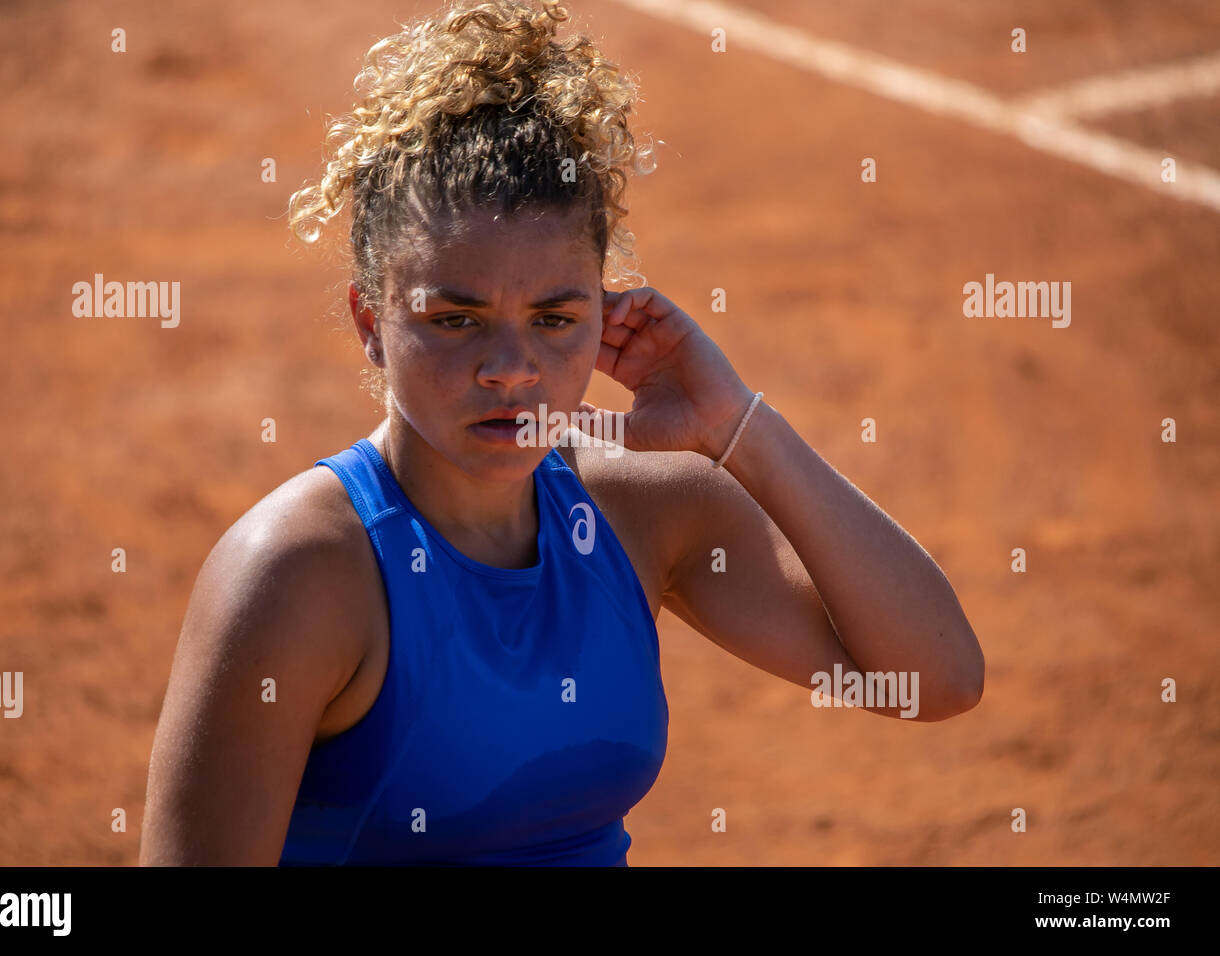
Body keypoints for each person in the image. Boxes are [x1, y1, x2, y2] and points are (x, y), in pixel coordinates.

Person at [139, 0, 983, 867]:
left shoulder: (638, 508)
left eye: (554, 318)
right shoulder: (296, 575)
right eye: (457, 319)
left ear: (606, 315)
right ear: (370, 318)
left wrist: (738, 429)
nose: (511, 368)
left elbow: (937, 677)